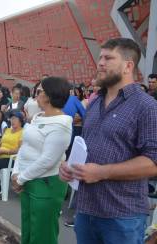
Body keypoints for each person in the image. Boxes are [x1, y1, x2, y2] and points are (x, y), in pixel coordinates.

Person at [59, 38, 157, 244]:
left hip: (123, 216)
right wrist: (70, 167)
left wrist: (102, 172)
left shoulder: (146, 106)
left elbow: (153, 163)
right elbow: (89, 148)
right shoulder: (94, 104)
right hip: (86, 211)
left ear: (128, 66)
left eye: (108, 58)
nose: (100, 63)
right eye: (100, 57)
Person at [12, 77, 72, 244]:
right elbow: (24, 147)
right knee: (28, 231)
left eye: (38, 92)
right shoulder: (38, 116)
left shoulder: (61, 125)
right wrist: (16, 172)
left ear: (49, 96)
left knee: (42, 235)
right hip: (27, 180)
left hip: (46, 184)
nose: (34, 96)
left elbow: (48, 160)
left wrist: (21, 178)